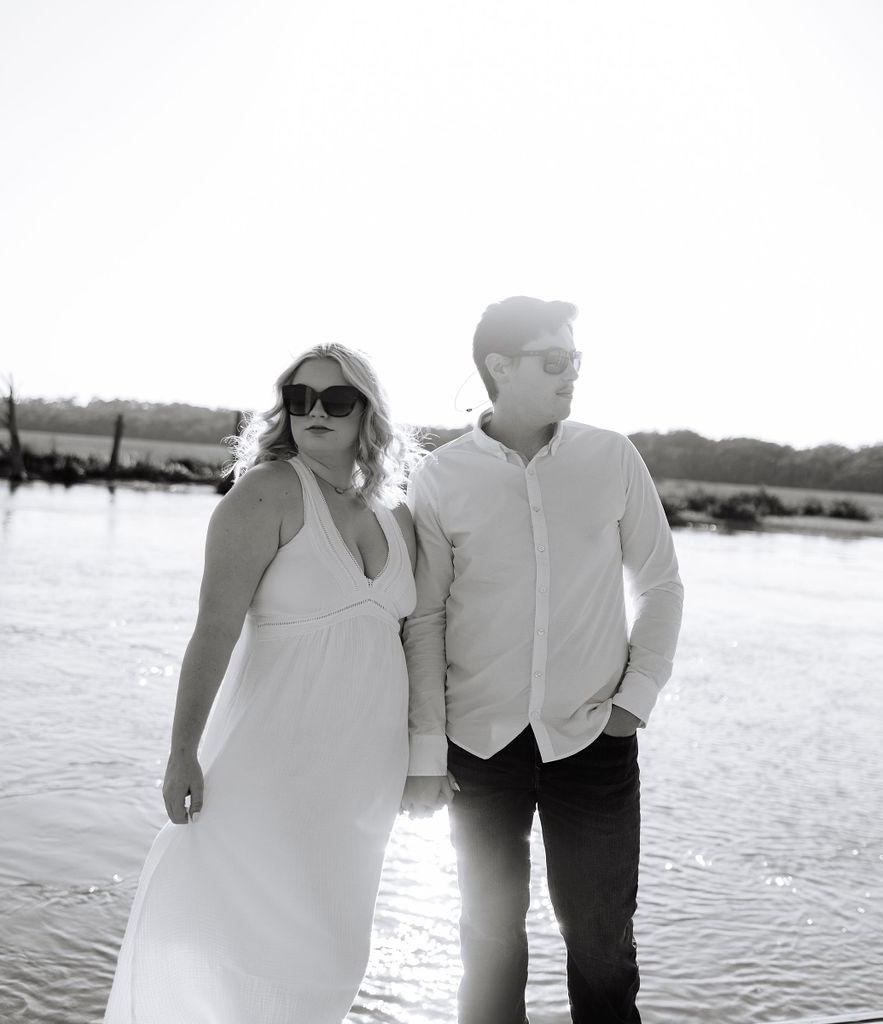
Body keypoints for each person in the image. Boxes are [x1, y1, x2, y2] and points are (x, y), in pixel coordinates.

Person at [103, 344, 419, 1024]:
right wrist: (182, 751)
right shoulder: (266, 493)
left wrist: (428, 758)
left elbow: (417, 641)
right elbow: (213, 630)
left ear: (367, 411)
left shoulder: (398, 515)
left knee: (335, 955)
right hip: (269, 763)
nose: (314, 412)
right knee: (240, 941)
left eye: (335, 399)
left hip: (363, 779)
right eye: (299, 398)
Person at [401, 297, 684, 1024]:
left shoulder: (611, 456)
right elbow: (425, 618)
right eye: (555, 360)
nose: (572, 374)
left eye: (575, 359)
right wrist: (426, 749)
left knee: (601, 945)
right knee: (488, 945)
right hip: (477, 747)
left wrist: (633, 703)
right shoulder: (440, 477)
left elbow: (660, 584)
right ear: (499, 367)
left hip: (593, 740)